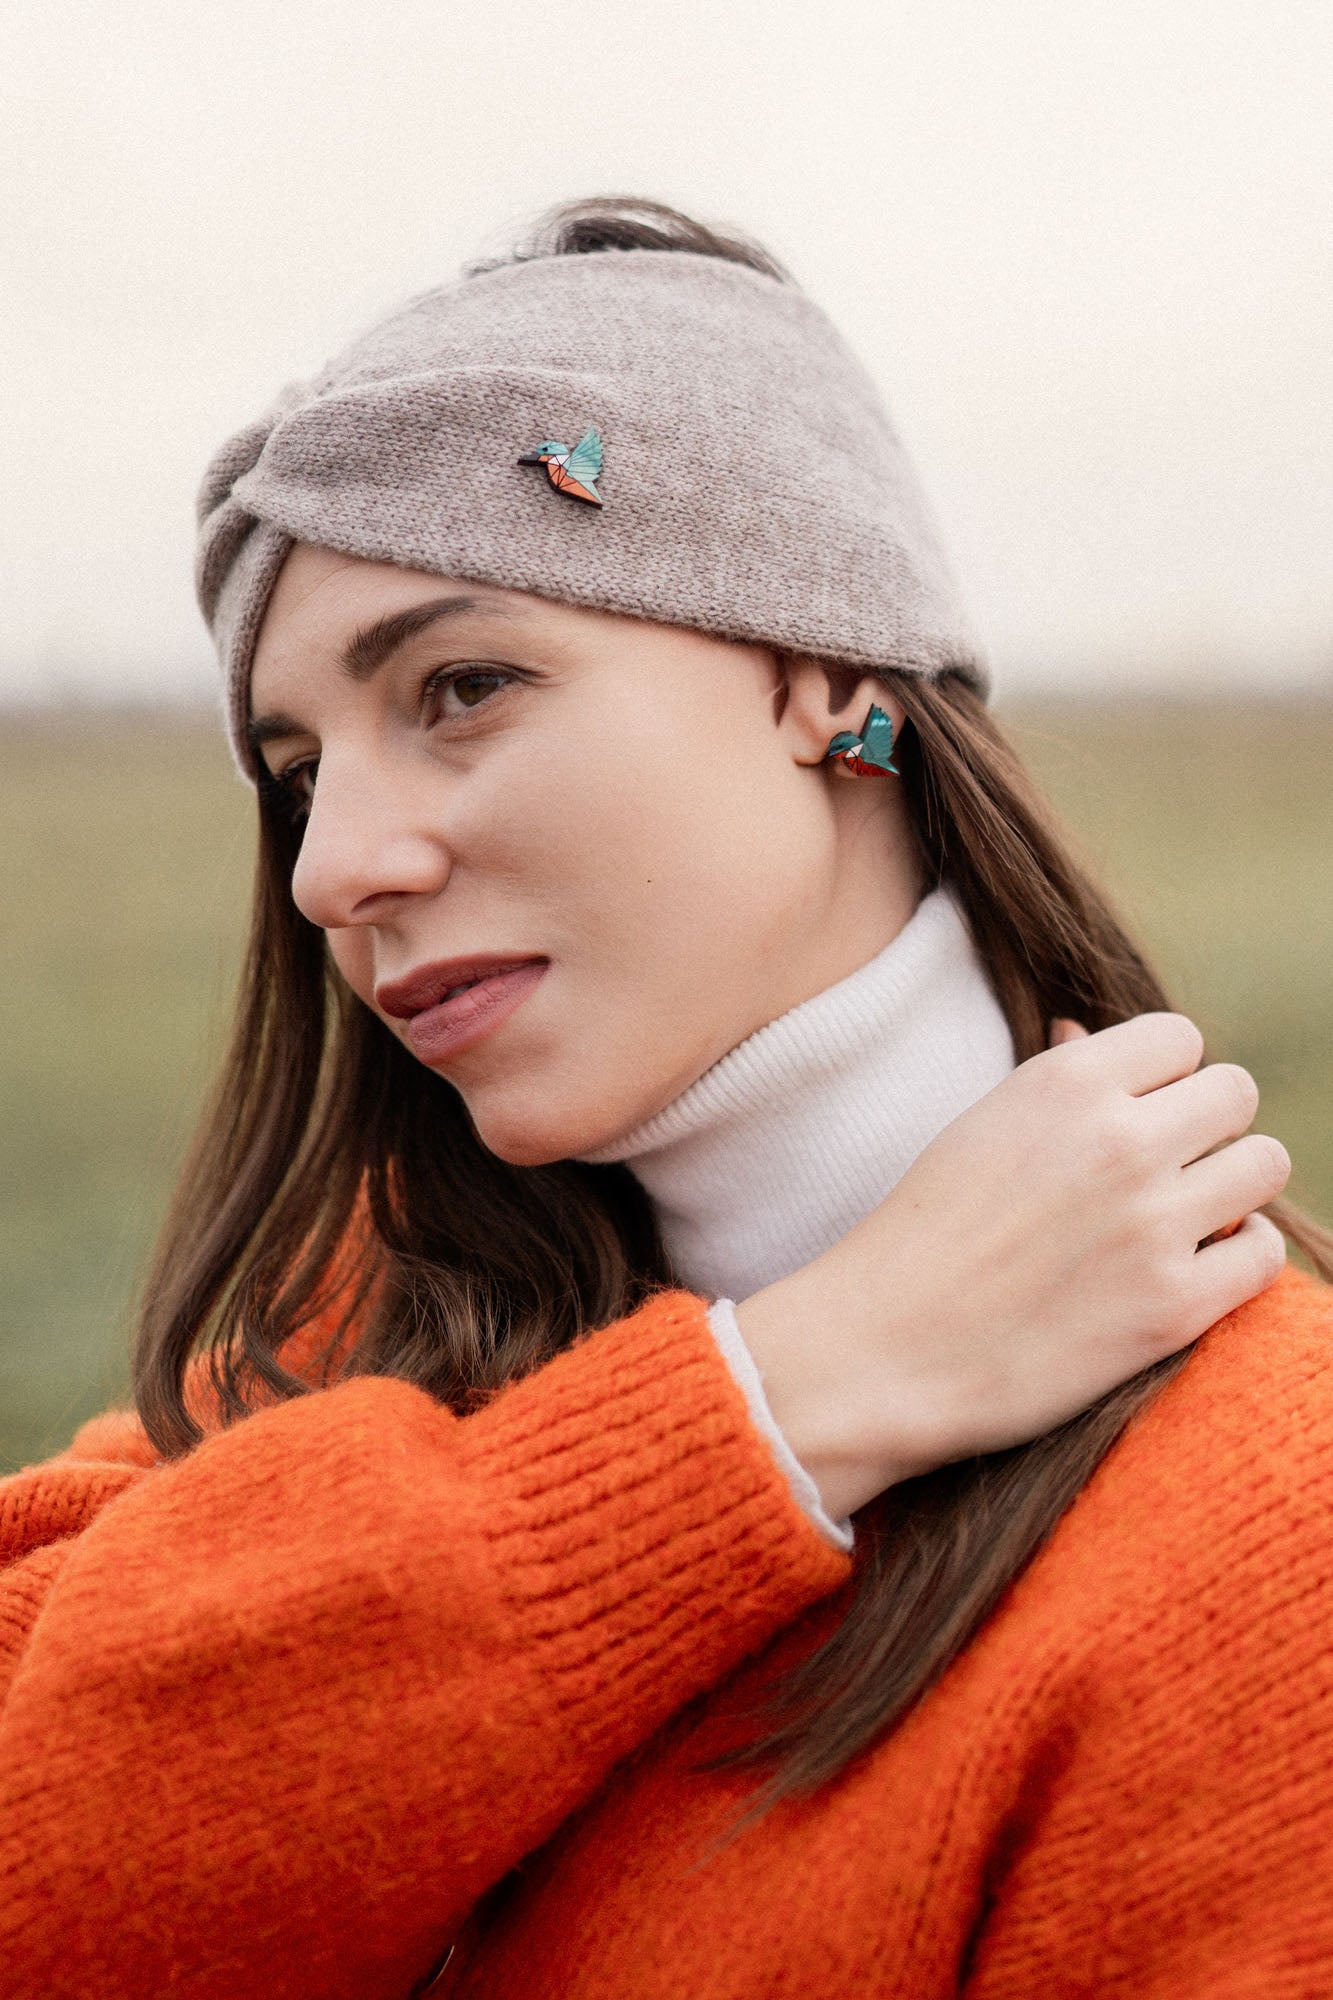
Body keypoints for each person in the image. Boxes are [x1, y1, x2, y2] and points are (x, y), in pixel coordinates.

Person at [2, 197, 1329, 1999]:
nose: (332, 869)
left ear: (827, 678)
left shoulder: (1273, 1529)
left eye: (462, 687)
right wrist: (780, 1404)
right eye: (296, 769)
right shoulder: (361, 1321)